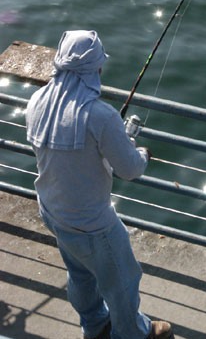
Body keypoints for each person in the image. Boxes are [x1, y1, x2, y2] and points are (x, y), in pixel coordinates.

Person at [25, 30, 173, 339]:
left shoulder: (37, 100)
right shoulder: (101, 116)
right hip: (91, 225)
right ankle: (131, 333)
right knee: (124, 281)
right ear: (95, 69)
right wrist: (142, 153)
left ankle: (93, 326)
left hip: (53, 211)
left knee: (80, 274)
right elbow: (130, 169)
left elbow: (72, 156)